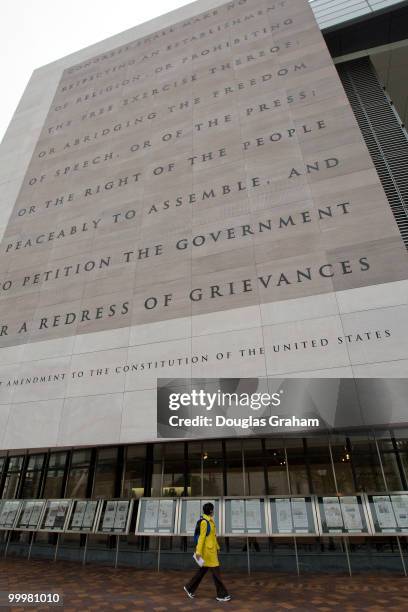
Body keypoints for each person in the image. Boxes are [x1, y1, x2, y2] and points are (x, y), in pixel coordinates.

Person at [184, 502, 231, 602]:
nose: (213, 511)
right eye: (212, 509)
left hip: (211, 550)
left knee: (202, 572)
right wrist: (198, 552)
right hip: (208, 553)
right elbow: (201, 538)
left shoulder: (210, 521)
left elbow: (212, 537)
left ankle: (189, 588)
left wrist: (217, 547)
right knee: (216, 574)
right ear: (210, 511)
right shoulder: (204, 522)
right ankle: (222, 595)